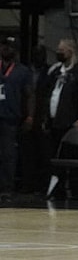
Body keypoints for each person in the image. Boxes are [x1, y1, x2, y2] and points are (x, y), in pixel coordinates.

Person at [0, 37, 33, 201]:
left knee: (7, 154)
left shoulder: (23, 71)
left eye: (10, 47)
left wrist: (30, 116)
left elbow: (28, 95)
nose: (6, 49)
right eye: (4, 46)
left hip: (10, 118)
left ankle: (7, 188)